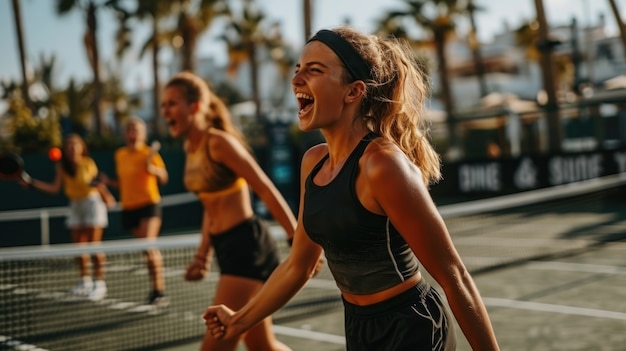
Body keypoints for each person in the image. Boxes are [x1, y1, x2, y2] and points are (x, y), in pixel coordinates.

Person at [203, 27, 500, 350]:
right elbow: (297, 266)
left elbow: (453, 275)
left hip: (412, 327)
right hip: (358, 328)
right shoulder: (312, 163)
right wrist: (239, 320)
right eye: (297, 69)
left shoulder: (382, 165)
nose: (297, 79)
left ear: (353, 91)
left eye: (314, 70)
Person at [162, 71, 301, 351]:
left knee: (215, 345)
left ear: (195, 106)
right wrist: (203, 254)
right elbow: (209, 207)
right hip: (226, 247)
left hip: (247, 246)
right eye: (163, 105)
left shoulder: (219, 142)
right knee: (263, 345)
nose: (165, 111)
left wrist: (295, 237)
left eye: (172, 103)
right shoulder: (191, 147)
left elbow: (263, 187)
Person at [25, 133, 115, 301]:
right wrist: (31, 183)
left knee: (94, 247)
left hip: (92, 204)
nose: (72, 148)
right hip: (75, 205)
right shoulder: (61, 167)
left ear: (82, 148)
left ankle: (100, 284)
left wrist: (106, 195)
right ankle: (85, 281)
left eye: (75, 145)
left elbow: (95, 184)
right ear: (65, 150)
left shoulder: (88, 164)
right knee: (78, 248)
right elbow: (54, 188)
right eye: (69, 146)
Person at [100, 118, 169, 306]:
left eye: (136, 129)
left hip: (149, 204)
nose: (133, 132)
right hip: (129, 207)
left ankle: (159, 291)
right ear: (125, 133)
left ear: (143, 133)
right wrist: (109, 183)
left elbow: (164, 177)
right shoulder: (120, 154)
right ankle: (155, 290)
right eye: (129, 128)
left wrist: (152, 169)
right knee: (145, 250)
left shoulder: (149, 153)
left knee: (148, 245)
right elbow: (122, 182)